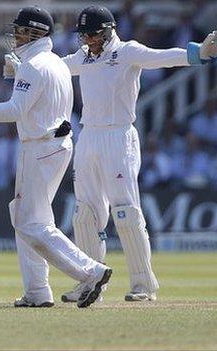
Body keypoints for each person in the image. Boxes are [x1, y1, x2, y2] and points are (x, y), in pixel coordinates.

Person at [0, 6, 112, 308]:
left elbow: (15, 111)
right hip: (55, 145)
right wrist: (16, 75)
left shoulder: (34, 66)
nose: (15, 35)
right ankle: (38, 292)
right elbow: (37, 101)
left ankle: (91, 271)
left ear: (35, 33)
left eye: (20, 30)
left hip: (39, 148)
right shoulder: (53, 62)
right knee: (27, 217)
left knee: (30, 223)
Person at [60, 6, 216, 303]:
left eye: (92, 35)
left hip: (119, 136)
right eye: (83, 36)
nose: (87, 41)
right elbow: (57, 67)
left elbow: (161, 58)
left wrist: (197, 54)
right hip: (89, 135)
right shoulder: (84, 55)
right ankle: (89, 281)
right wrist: (22, 66)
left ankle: (143, 285)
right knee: (85, 214)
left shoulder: (127, 51)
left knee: (126, 213)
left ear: (107, 31)